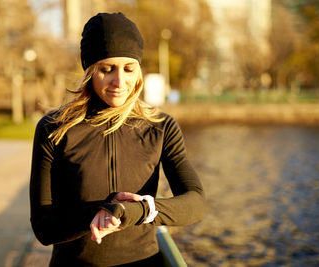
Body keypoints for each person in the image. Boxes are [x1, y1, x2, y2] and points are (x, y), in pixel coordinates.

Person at [29, 12, 205, 266]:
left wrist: (139, 211)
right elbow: (44, 229)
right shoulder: (54, 129)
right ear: (89, 71)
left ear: (139, 71)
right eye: (107, 69)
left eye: (128, 68)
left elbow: (196, 202)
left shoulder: (161, 127)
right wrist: (100, 213)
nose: (119, 81)